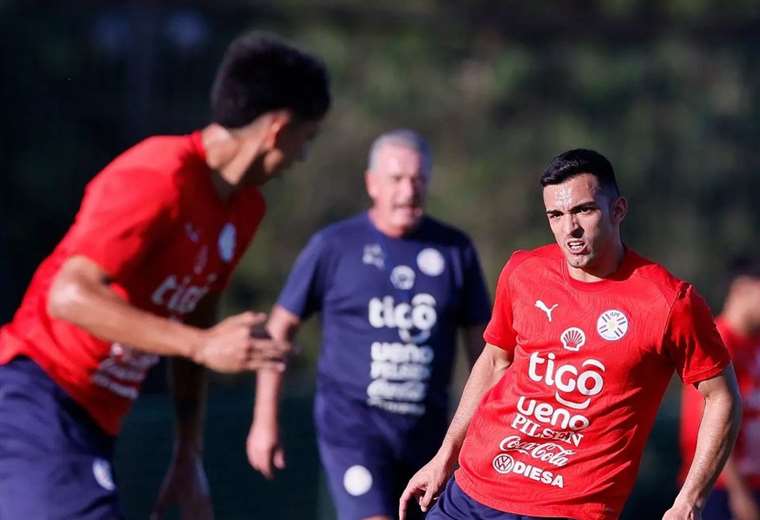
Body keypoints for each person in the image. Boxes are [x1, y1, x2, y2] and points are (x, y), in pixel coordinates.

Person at [0, 31, 330, 520]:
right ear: (277, 131)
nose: (301, 158)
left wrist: (187, 452)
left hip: (94, 420)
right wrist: (202, 345)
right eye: (306, 141)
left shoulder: (243, 210)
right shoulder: (158, 173)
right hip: (34, 393)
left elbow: (199, 320)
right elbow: (69, 296)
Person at [400, 148, 742, 520]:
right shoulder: (523, 272)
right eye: (556, 215)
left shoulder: (669, 302)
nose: (570, 228)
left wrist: (688, 502)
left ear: (618, 210)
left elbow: (721, 398)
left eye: (584, 210)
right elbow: (496, 361)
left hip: (567, 510)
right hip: (471, 493)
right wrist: (445, 456)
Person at [247, 129, 492, 520]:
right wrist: (264, 419)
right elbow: (279, 329)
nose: (408, 190)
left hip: (427, 434)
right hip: (353, 429)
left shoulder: (454, 250)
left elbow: (487, 349)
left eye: (418, 180)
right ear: (372, 183)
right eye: (397, 179)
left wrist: (482, 425)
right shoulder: (334, 246)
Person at [679, 257, 760, 520]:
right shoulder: (717, 342)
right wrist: (739, 494)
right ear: (743, 289)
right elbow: (707, 425)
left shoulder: (755, 344)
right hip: (718, 491)